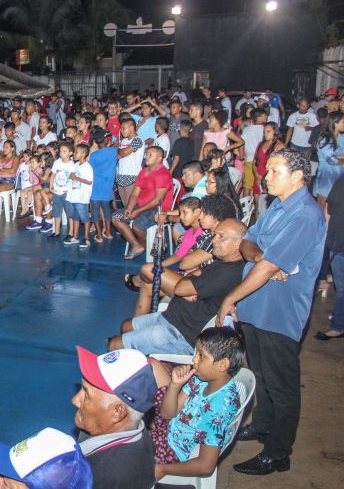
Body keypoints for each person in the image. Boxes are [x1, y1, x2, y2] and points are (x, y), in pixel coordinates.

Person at [217, 149, 325, 476]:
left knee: (282, 386)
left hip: (279, 313)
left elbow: (265, 268)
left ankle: (278, 453)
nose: (267, 176)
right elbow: (247, 242)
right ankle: (263, 424)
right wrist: (262, 256)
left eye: (276, 171)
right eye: (268, 170)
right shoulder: (278, 204)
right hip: (256, 306)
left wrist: (230, 297)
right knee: (261, 374)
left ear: (298, 177)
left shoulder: (305, 215)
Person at [0, 346, 157, 489]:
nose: (75, 400)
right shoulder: (126, 433)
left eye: (86, 395)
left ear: (117, 413)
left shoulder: (109, 475)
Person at [110, 218, 247, 354]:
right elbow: (191, 276)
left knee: (114, 345)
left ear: (238, 243)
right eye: (215, 235)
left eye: (221, 236)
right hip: (173, 315)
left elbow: (180, 288)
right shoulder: (224, 260)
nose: (214, 240)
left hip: (181, 332)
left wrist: (191, 279)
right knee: (126, 326)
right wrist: (191, 279)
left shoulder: (230, 272)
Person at [151, 328, 246, 482]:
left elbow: (206, 465)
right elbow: (167, 414)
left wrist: (162, 469)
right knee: (152, 364)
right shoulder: (202, 379)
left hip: (175, 453)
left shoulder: (218, 409)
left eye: (201, 355)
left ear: (222, 365)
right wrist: (175, 386)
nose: (194, 360)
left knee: (124, 455)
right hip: (172, 428)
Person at [112, 147, 174, 260]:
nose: (147, 157)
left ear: (159, 158)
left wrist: (137, 211)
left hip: (158, 208)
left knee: (137, 226)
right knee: (116, 217)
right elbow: (135, 194)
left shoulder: (163, 174)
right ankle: (137, 245)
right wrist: (129, 208)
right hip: (141, 205)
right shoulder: (143, 172)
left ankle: (150, 246)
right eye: (147, 154)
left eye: (151, 155)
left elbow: (158, 200)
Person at [315, 174, 344, 340]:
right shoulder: (341, 180)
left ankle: (338, 326)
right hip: (336, 243)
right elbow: (328, 207)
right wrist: (324, 235)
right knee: (341, 288)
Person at [88, 129, 117, 241]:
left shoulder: (94, 155)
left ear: (96, 142)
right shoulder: (113, 151)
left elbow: (90, 170)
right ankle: (108, 232)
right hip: (107, 186)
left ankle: (99, 235)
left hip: (95, 186)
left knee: (95, 211)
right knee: (107, 209)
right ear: (106, 140)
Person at [314, 110, 344, 208]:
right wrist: (340, 157)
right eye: (343, 122)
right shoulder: (324, 139)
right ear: (335, 123)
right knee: (323, 207)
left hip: (341, 176)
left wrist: (339, 157)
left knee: (336, 208)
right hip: (327, 176)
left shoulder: (341, 137)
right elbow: (332, 160)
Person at [65, 144, 93, 247]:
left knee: (85, 219)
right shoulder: (76, 165)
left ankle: (86, 238)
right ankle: (75, 237)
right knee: (75, 217)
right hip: (74, 196)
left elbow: (89, 181)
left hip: (82, 198)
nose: (74, 154)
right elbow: (72, 177)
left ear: (83, 154)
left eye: (76, 152)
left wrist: (76, 178)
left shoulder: (87, 167)